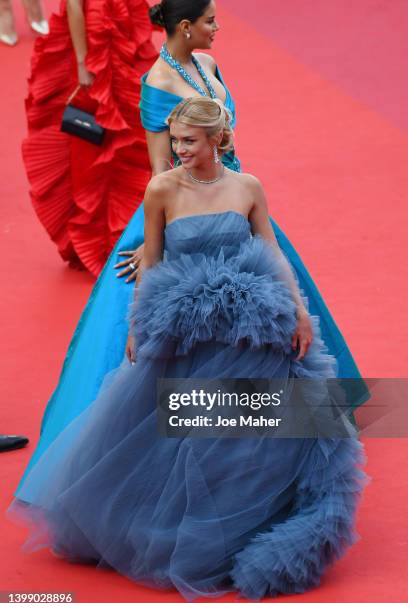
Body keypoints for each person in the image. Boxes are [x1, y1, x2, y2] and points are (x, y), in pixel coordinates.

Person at [7, 98, 368, 602]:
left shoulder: (247, 187)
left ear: (216, 140)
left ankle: (251, 517)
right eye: (174, 140)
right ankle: (179, 529)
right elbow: (151, 262)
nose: (178, 151)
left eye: (188, 141)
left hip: (248, 327)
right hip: (185, 333)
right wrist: (137, 326)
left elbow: (271, 251)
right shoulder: (161, 190)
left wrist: (300, 311)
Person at [14, 0, 368, 502]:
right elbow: (162, 167)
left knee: (276, 322)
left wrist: (236, 191)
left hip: (232, 193)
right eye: (210, 21)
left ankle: (277, 431)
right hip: (187, 209)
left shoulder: (207, 63)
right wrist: (151, 242)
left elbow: (220, 134)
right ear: (186, 26)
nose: (217, 28)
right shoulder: (157, 82)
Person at [22, 0, 157, 275]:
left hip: (123, 28)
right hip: (95, 38)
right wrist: (83, 60)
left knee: (130, 136)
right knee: (92, 140)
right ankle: (96, 243)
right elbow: (73, 4)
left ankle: (126, 235)